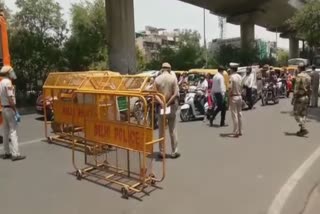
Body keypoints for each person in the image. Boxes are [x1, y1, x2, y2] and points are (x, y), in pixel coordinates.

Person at [155, 62, 180, 159]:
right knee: (172, 129)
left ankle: (161, 152)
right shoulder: (173, 78)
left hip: (161, 107)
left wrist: (162, 103)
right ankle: (174, 151)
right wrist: (168, 103)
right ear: (169, 69)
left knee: (161, 130)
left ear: (162, 69)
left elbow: (155, 93)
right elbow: (175, 94)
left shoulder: (157, 79)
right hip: (172, 106)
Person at [0, 66, 26, 161]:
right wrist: (16, 111)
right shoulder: (8, 82)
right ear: (7, 73)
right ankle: (15, 154)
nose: (13, 73)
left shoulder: (1, 82)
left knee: (5, 131)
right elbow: (10, 98)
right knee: (13, 131)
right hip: (10, 109)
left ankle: (7, 152)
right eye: (11, 71)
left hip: (3, 108)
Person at [292, 63, 311, 137]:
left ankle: (303, 127)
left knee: (296, 113)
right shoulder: (308, 77)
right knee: (303, 114)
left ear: (300, 68)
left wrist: (294, 97)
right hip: (306, 97)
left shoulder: (299, 76)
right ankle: (302, 130)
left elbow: (296, 89)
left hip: (300, 97)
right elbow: (310, 89)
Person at [228, 63, 243, 137]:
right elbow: (242, 87)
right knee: (240, 114)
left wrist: (228, 96)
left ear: (231, 69)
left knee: (234, 115)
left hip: (233, 96)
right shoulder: (240, 77)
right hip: (240, 96)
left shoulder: (231, 77)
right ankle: (240, 131)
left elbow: (230, 88)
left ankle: (235, 132)